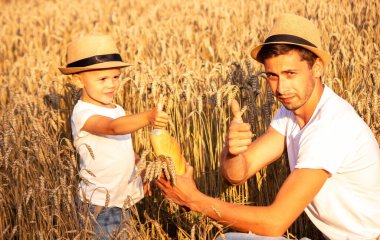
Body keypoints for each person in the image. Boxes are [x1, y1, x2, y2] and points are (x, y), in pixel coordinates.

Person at [156, 14, 380, 240]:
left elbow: (274, 223)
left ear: (317, 68)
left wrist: (194, 200)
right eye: (272, 76)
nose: (281, 88)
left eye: (290, 74)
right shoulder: (290, 114)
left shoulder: (330, 127)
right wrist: (233, 151)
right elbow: (236, 175)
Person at [59, 35, 169, 239]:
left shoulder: (117, 108)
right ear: (77, 80)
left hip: (124, 203)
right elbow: (113, 128)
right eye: (102, 79)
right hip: (99, 207)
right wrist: (147, 116)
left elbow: (123, 146)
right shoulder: (83, 113)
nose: (111, 84)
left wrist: (141, 170)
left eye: (116, 77)